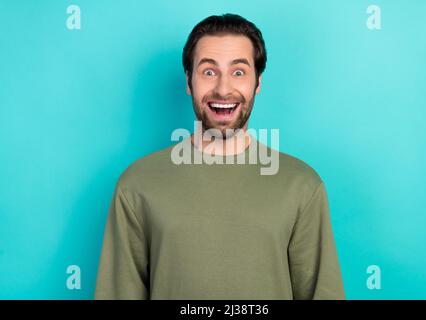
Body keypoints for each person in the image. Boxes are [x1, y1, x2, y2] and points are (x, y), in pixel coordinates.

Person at [94, 13, 345, 300]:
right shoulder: (137, 185)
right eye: (209, 71)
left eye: (238, 72)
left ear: (257, 82)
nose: (223, 89)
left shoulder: (302, 186)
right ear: (189, 81)